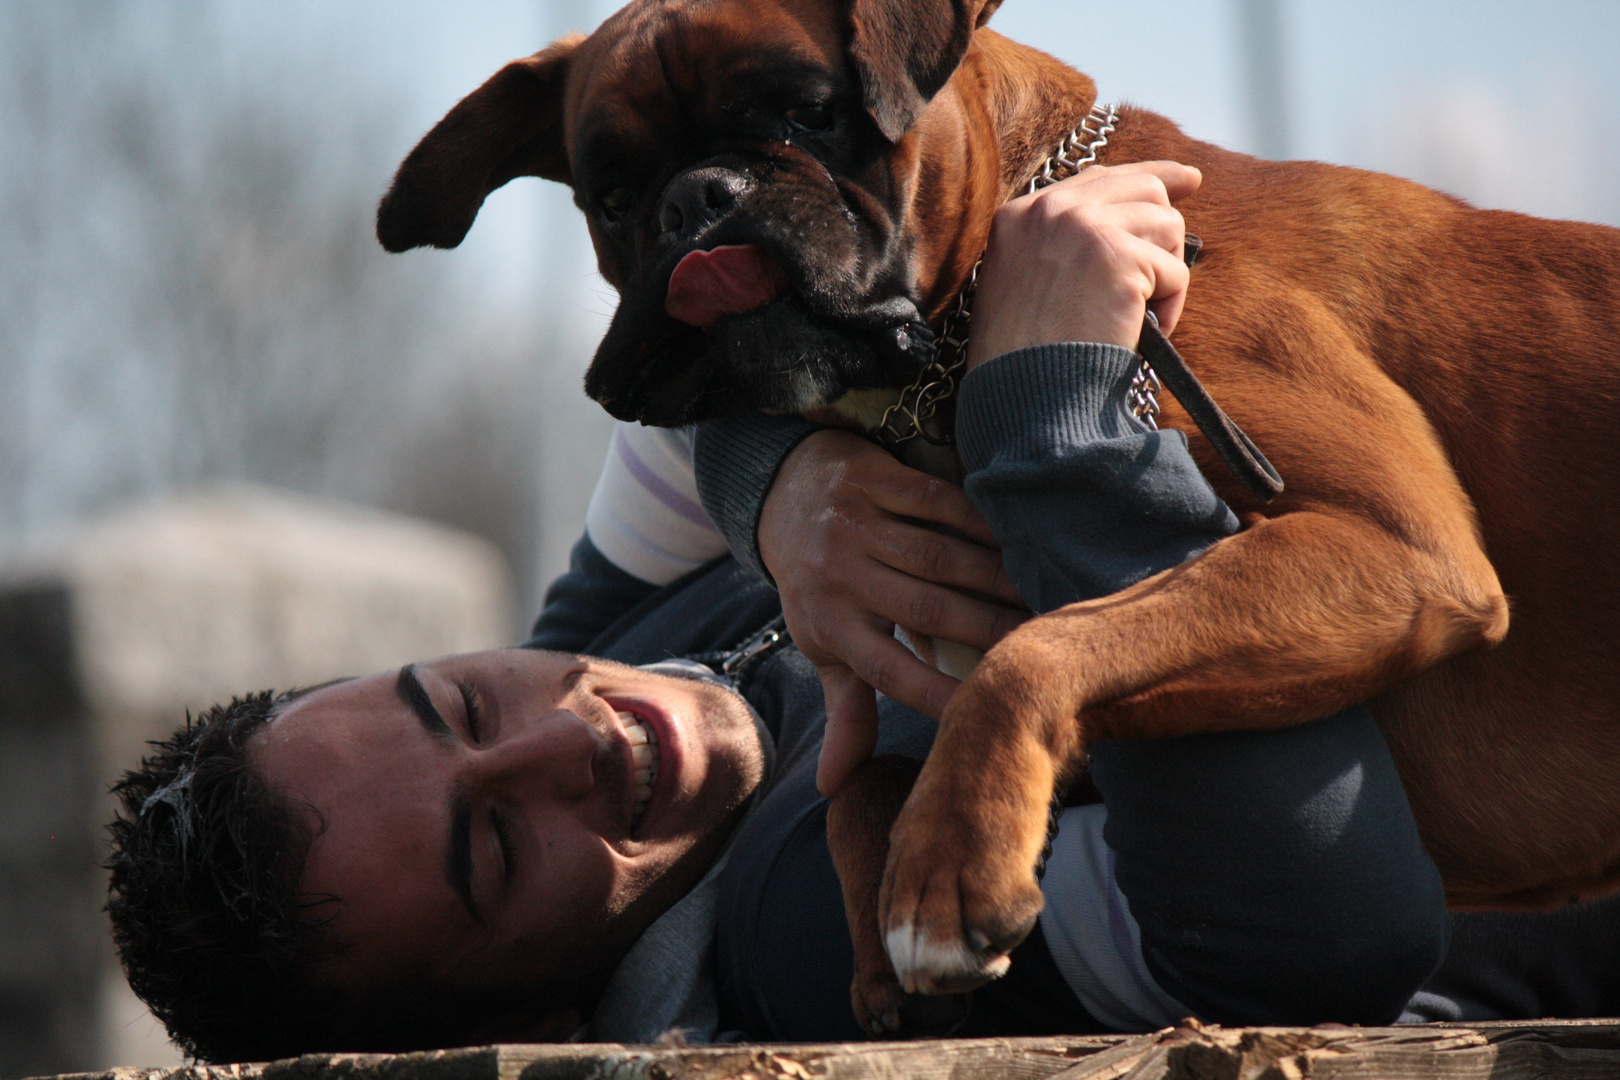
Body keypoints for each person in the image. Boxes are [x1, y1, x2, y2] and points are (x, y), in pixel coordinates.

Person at [104, 162, 1612, 1064]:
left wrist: (785, 496)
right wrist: (1053, 414)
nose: (574, 737)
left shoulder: (608, 645)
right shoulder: (802, 946)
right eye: (497, 847)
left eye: (462, 703)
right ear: (523, 1019)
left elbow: (676, 418)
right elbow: (1327, 927)